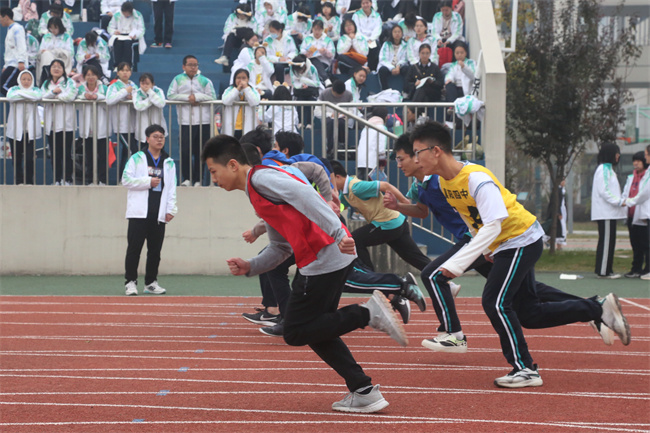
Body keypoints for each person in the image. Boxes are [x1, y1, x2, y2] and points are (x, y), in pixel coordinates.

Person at [410, 120, 631, 388]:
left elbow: (494, 224)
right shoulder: (446, 184)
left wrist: (459, 263)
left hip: (520, 239)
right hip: (506, 244)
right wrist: (488, 249)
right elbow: (472, 220)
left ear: (435, 151)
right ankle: (596, 308)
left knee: (495, 302)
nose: (415, 160)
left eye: (417, 152)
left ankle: (525, 369)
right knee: (529, 314)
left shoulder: (476, 178)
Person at [201, 134, 408, 413]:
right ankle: (363, 390)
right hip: (325, 257)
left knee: (295, 331)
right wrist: (252, 265)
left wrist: (337, 232)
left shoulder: (262, 179)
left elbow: (306, 195)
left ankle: (368, 313)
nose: (214, 179)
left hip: (324, 256)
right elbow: (281, 247)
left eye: (214, 171)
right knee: (317, 328)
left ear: (233, 165)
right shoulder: (257, 188)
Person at [331, 160, 431, 273]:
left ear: (338, 177)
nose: (330, 185)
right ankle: (441, 276)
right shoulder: (345, 192)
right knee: (415, 257)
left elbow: (385, 185)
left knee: (354, 240)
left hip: (386, 224)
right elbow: (340, 206)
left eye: (330, 181)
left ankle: (369, 276)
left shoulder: (355, 187)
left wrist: (404, 201)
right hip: (398, 222)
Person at [122, 124, 177, 296]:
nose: (159, 140)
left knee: (155, 251)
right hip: (139, 213)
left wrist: (171, 209)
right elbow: (126, 180)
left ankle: (151, 283)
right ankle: (130, 282)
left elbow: (172, 187)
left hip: (158, 213)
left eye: (162, 137)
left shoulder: (168, 162)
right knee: (134, 249)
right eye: (155, 136)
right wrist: (148, 182)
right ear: (147, 139)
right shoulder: (137, 158)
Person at [167, 55, 217, 187]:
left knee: (200, 151)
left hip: (203, 121)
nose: (193, 67)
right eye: (190, 65)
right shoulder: (177, 79)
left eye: (195, 65)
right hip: (185, 121)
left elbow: (212, 96)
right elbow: (170, 95)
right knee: (185, 151)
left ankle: (198, 179)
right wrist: (188, 98)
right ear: (184, 66)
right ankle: (187, 178)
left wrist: (197, 97)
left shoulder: (205, 80)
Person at [591, 143, 626, 279]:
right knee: (606, 242)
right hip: (605, 212)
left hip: (610, 213)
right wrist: (619, 202)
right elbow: (604, 191)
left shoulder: (609, 169)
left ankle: (607, 269)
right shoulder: (603, 169)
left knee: (610, 241)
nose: (618, 156)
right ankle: (603, 271)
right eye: (616, 153)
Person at [41, 59, 76, 185]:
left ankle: (67, 179)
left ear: (63, 70)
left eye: (59, 66)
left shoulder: (69, 82)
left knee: (66, 154)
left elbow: (71, 96)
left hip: (66, 124)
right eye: (54, 66)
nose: (56, 69)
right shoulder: (46, 83)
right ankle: (57, 179)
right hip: (51, 125)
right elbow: (42, 97)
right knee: (55, 154)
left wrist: (56, 97)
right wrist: (53, 92)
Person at [5, 70, 42, 185]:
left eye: (29, 79)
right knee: (16, 159)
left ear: (32, 81)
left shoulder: (36, 90)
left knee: (29, 159)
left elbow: (38, 97)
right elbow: (10, 97)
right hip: (15, 131)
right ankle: (19, 182)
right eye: (24, 79)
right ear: (19, 80)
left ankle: (29, 182)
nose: (26, 81)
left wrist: (21, 95)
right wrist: (28, 96)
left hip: (29, 132)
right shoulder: (13, 89)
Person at [76, 65, 110, 185]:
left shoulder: (104, 88)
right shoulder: (81, 88)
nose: (91, 77)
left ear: (98, 76)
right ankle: (90, 180)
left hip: (101, 127)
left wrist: (97, 97)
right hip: (87, 128)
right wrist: (84, 97)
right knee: (89, 156)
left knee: (103, 156)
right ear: (84, 76)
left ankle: (103, 180)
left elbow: (109, 101)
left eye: (93, 74)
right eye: (88, 75)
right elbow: (76, 103)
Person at [106, 62, 138, 179]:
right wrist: (125, 92)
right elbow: (109, 100)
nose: (125, 72)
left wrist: (133, 97)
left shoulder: (134, 85)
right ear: (118, 72)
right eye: (122, 70)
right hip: (121, 126)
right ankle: (127, 177)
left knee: (126, 152)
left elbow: (140, 99)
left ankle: (122, 178)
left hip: (133, 125)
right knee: (133, 151)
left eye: (127, 70)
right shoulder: (114, 86)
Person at [622, 150, 649, 278]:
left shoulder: (647, 177)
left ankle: (646, 269)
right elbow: (625, 194)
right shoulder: (630, 177)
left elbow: (643, 195)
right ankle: (636, 268)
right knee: (635, 244)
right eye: (634, 161)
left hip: (643, 215)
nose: (635, 163)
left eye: (638, 161)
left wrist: (630, 201)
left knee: (645, 244)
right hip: (631, 214)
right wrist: (624, 203)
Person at [314, 80, 353, 159]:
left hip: (342, 118)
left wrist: (344, 114)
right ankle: (330, 150)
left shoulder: (349, 95)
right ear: (332, 89)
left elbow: (351, 111)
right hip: (328, 118)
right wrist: (329, 115)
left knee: (341, 123)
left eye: (341, 94)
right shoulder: (324, 94)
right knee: (331, 122)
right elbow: (316, 112)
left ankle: (342, 148)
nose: (339, 96)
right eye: (337, 94)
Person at [222, 68, 261, 139]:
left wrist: (246, 88)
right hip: (232, 126)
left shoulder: (252, 90)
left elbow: (255, 101)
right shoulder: (229, 89)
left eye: (244, 78)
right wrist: (237, 90)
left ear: (248, 79)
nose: (241, 80)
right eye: (238, 78)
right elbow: (225, 101)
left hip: (247, 126)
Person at [107, 2, 146, 71]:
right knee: (117, 43)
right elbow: (110, 27)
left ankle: (128, 66)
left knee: (127, 44)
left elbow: (141, 29)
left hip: (132, 35)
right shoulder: (117, 15)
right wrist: (114, 31)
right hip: (120, 34)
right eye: (124, 13)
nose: (126, 15)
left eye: (128, 13)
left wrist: (136, 35)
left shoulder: (138, 15)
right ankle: (118, 66)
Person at [133, 72, 167, 146]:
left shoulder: (158, 91)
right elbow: (138, 106)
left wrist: (150, 92)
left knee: (159, 149)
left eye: (147, 83)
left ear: (153, 84)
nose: (145, 86)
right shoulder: (137, 92)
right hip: (143, 129)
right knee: (144, 150)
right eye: (142, 83)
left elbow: (161, 103)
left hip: (158, 125)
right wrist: (151, 100)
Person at [37, 17, 74, 84]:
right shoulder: (46, 37)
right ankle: (46, 78)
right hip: (47, 60)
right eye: (51, 28)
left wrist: (54, 52)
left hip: (62, 60)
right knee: (45, 55)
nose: (53, 30)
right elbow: (41, 50)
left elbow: (70, 53)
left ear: (60, 27)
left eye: (55, 28)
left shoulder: (67, 37)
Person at [0, 8, 28, 97]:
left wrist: (21, 61)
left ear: (6, 17)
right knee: (11, 87)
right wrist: (5, 66)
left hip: (16, 64)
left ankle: (20, 98)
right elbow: (10, 50)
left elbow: (21, 45)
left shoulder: (17, 28)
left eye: (0, 17)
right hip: (10, 64)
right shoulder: (10, 30)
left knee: (3, 86)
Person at [357, 107, 388, 180]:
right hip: (372, 164)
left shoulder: (366, 127)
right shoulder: (382, 128)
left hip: (360, 162)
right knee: (372, 186)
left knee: (362, 185)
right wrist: (382, 164)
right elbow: (381, 148)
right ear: (385, 117)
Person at [300, 19, 336, 84]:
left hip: (323, 62)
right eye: (315, 29)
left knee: (314, 61)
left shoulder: (328, 40)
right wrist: (306, 53)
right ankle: (326, 79)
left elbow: (332, 55)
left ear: (322, 30)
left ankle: (323, 79)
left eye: (319, 30)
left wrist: (325, 52)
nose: (317, 32)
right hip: (309, 61)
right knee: (312, 60)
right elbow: (302, 50)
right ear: (312, 29)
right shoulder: (307, 39)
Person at [351, 0, 382, 71]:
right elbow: (356, 29)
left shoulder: (377, 15)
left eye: (367, 3)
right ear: (361, 5)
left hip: (373, 39)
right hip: (360, 39)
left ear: (371, 3)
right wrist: (366, 39)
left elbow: (378, 29)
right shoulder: (356, 15)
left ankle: (372, 69)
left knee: (375, 47)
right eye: (363, 3)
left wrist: (371, 39)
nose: (365, 5)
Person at [432, 0, 464, 67]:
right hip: (441, 39)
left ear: (451, 8)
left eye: (446, 10)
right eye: (442, 10)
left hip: (454, 40)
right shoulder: (436, 16)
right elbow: (434, 31)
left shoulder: (457, 16)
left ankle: (456, 65)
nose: (444, 12)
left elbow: (458, 33)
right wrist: (438, 39)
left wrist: (449, 41)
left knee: (458, 47)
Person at [377, 24, 408, 91]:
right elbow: (382, 58)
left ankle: (406, 91)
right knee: (382, 70)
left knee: (406, 69)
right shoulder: (386, 44)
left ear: (402, 33)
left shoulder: (405, 45)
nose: (397, 34)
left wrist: (398, 66)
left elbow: (405, 58)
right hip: (388, 66)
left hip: (399, 67)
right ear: (391, 33)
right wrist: (391, 68)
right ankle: (385, 90)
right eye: (395, 32)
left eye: (399, 32)